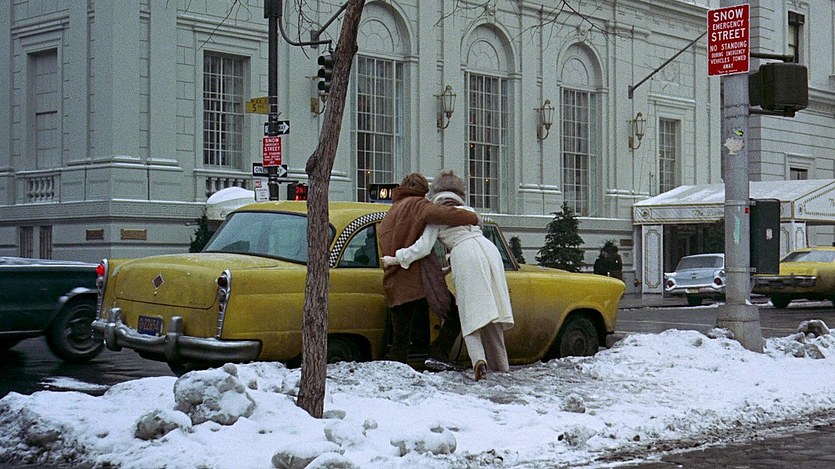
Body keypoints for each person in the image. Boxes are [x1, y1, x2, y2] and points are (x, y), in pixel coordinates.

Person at [383, 170, 514, 381]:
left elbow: (423, 247)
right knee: (492, 311)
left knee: (466, 311)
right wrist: (475, 218)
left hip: (459, 255)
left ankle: (478, 360)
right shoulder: (464, 209)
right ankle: (501, 364)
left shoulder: (415, 212)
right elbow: (466, 225)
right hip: (490, 253)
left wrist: (395, 258)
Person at [378, 172, 480, 364]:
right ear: (422, 191)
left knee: (401, 336)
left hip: (393, 280)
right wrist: (473, 217)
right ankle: (437, 353)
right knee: (454, 315)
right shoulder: (418, 205)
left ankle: (398, 369)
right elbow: (444, 214)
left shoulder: (391, 213)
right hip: (416, 281)